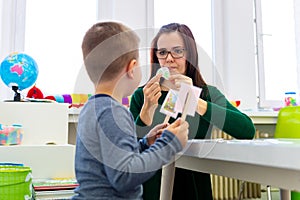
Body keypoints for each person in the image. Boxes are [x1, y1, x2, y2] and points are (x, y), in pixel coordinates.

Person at [129, 23, 256, 200]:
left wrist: (197, 101)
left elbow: (247, 130)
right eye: (163, 52)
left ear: (190, 54)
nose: (169, 59)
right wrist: (146, 110)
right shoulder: (142, 95)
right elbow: (130, 152)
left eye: (177, 51)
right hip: (152, 188)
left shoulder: (207, 93)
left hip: (194, 187)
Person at [72, 21, 189, 199]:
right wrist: (169, 143)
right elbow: (124, 175)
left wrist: (145, 143)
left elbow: (113, 160)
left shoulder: (90, 108)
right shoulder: (115, 112)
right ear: (132, 68)